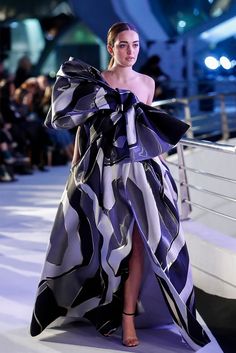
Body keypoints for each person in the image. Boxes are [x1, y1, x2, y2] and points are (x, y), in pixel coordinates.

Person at [30, 22, 210, 350]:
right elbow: (83, 132)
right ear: (110, 47)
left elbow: (146, 132)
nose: (131, 52)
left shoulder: (147, 83)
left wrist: (164, 175)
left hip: (143, 175)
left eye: (136, 45)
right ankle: (99, 306)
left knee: (142, 244)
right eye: (124, 45)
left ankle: (128, 317)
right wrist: (75, 172)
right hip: (102, 173)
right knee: (107, 243)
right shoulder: (96, 81)